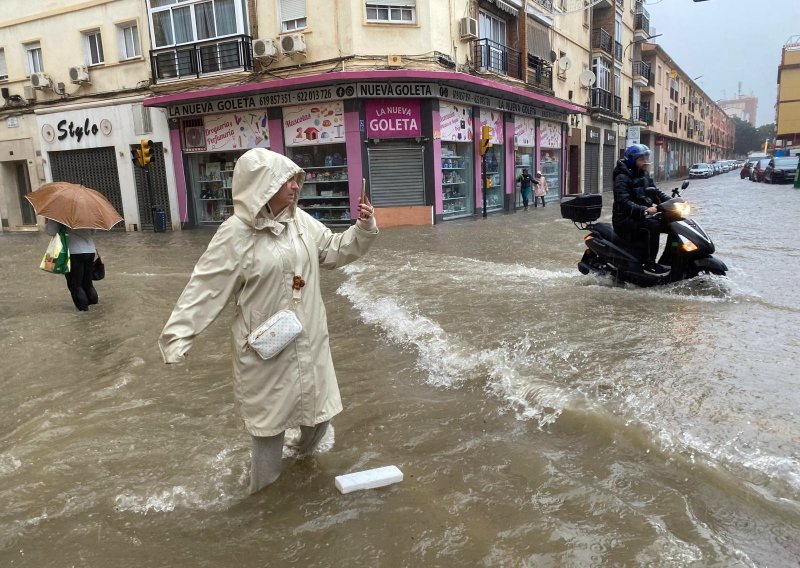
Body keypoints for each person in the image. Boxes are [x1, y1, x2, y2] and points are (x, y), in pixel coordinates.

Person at [158, 148, 378, 494]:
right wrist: (179, 336)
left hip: (309, 339)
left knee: (319, 416)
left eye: (295, 179)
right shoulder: (235, 234)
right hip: (266, 350)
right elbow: (205, 287)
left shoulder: (300, 222)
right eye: (286, 180)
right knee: (269, 429)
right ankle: (262, 501)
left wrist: (362, 229)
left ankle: (300, 464)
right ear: (263, 185)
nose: (295, 186)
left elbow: (332, 250)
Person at [612, 144, 671, 275]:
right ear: (632, 160)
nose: (646, 161)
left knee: (670, 223)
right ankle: (649, 264)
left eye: (646, 158)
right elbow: (623, 201)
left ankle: (672, 260)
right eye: (642, 159)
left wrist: (672, 202)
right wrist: (644, 209)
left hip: (640, 216)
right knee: (653, 225)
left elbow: (656, 193)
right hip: (625, 219)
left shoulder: (644, 175)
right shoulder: (622, 177)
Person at [45, 219, 97, 311]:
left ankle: (83, 314)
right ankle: (95, 310)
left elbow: (50, 231)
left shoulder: (59, 214)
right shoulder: (88, 213)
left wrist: (49, 221)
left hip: (73, 252)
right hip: (90, 250)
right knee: (88, 283)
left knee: (75, 285)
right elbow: (93, 231)